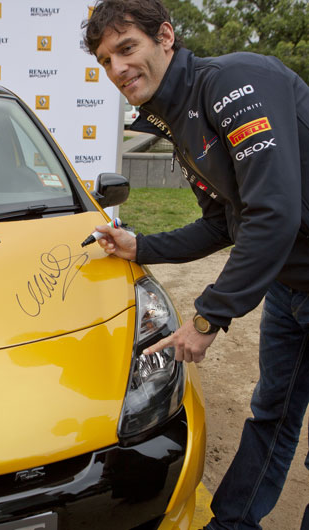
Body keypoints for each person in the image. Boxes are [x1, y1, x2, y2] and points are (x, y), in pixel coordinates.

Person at [82, 1, 309, 529]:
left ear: (165, 36)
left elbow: (273, 213)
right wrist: (140, 247)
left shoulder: (234, 82)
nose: (117, 68)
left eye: (126, 48)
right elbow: (223, 225)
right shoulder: (177, 117)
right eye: (105, 60)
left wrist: (208, 317)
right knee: (272, 417)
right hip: (290, 287)